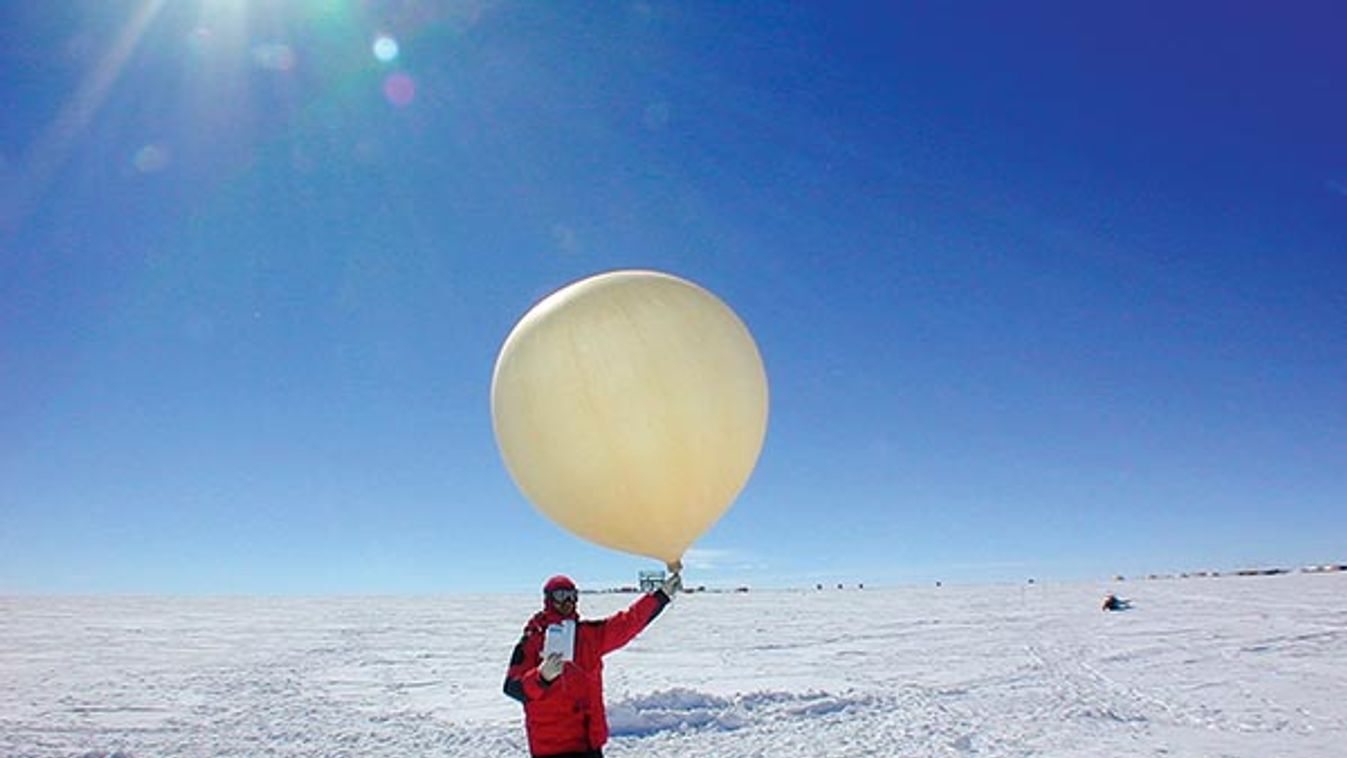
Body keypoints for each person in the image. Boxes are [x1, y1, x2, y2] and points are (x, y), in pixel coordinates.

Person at [504, 567, 682, 758]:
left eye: (572, 596)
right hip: (552, 749)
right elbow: (512, 687)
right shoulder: (532, 640)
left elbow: (629, 622)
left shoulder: (589, 635)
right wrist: (541, 677)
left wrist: (661, 596)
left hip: (589, 745)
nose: (567, 602)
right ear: (548, 599)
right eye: (561, 595)